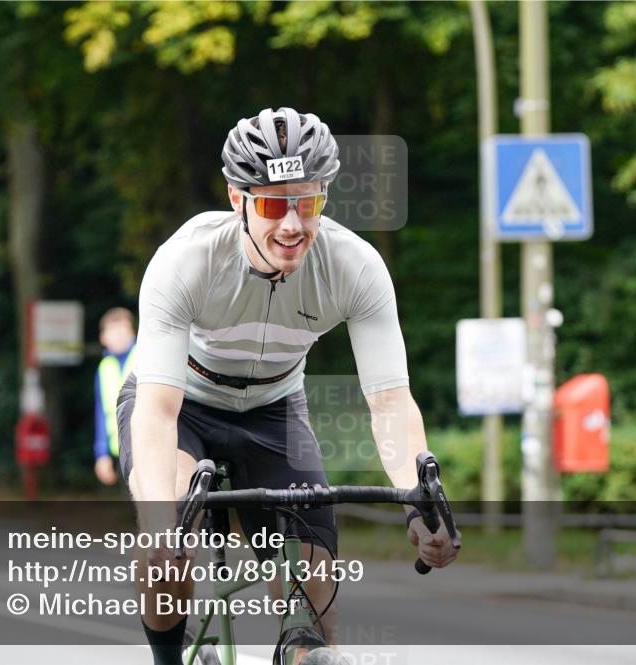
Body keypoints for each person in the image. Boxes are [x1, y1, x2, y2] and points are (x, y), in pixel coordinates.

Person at [116, 107, 457, 664]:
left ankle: (302, 650)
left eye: (309, 202)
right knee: (167, 542)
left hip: (274, 408)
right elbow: (156, 411)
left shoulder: (356, 267)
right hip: (184, 406)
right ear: (237, 198)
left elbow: (391, 401)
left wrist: (420, 507)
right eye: (275, 204)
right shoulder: (185, 261)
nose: (293, 224)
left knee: (315, 589)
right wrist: (158, 524)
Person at [93, 308, 137, 485]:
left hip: (150, 445)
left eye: (123, 329)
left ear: (133, 332)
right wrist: (101, 454)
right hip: (121, 452)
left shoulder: (144, 356)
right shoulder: (104, 367)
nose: (118, 335)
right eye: (113, 330)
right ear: (102, 338)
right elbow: (101, 413)